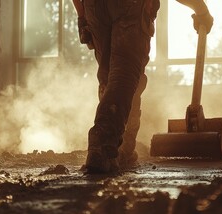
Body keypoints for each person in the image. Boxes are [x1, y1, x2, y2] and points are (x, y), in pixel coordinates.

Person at [73, 0, 214, 174]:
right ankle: (103, 142)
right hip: (129, 6)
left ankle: (123, 147)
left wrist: (82, 14)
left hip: (94, 7)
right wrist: (201, 10)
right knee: (124, 74)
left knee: (112, 78)